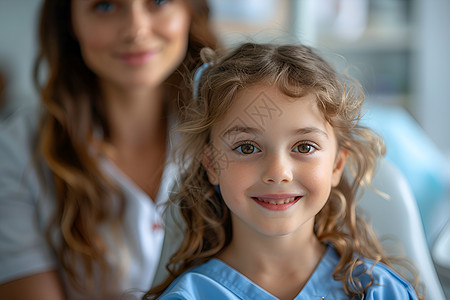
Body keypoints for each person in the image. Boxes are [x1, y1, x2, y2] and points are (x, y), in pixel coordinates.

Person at [144, 43, 423, 299]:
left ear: (337, 164)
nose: (278, 172)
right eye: (247, 148)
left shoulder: (378, 291)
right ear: (212, 164)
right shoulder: (190, 296)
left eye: (303, 147)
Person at [0, 0, 217, 299]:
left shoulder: (237, 133)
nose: (136, 30)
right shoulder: (15, 149)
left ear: (191, 11)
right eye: (104, 6)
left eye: (159, 2)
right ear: (70, 23)